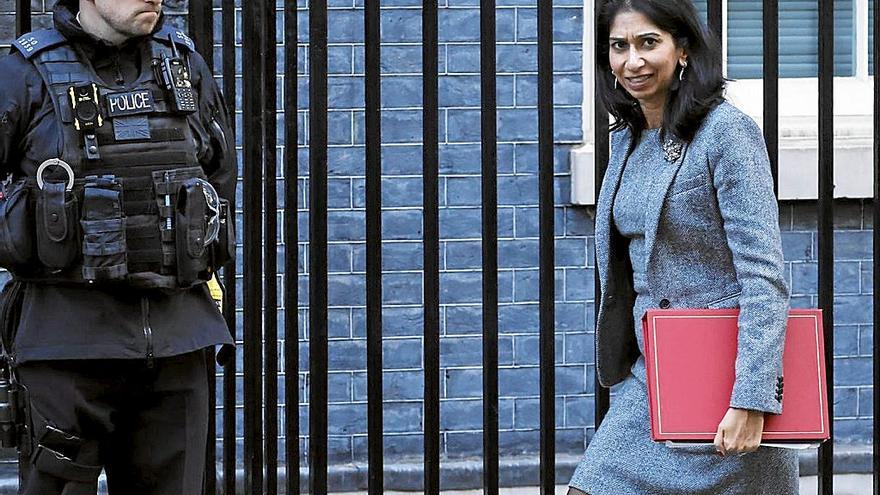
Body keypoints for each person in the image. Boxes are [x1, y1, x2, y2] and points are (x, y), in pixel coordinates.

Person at [0, 0, 235, 493]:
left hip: (177, 342)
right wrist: (30, 225)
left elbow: (217, 174)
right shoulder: (24, 72)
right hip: (66, 350)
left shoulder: (183, 63)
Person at [567, 0, 796, 493]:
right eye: (619, 46)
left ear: (683, 50)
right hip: (649, 378)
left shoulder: (727, 134)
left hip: (722, 378)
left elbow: (763, 274)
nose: (633, 61)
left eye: (649, 43)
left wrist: (751, 399)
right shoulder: (630, 139)